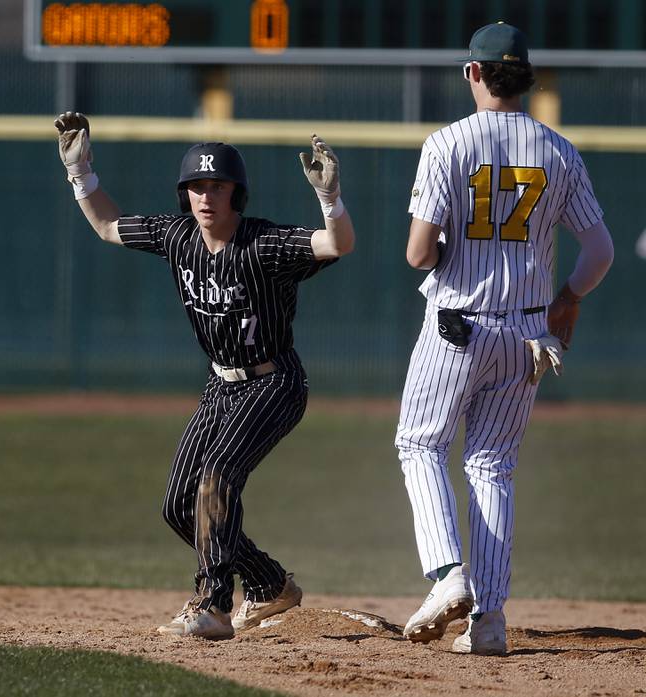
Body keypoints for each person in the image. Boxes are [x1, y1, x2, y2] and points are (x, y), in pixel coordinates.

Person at [54, 112, 355, 639]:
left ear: (237, 193)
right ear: (184, 195)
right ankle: (269, 584)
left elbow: (337, 245)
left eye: (217, 185)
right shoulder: (178, 237)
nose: (206, 196)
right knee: (178, 506)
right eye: (196, 186)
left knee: (216, 477)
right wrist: (81, 172)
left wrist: (330, 200)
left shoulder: (263, 244)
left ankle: (213, 604)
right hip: (221, 384)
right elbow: (106, 225)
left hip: (274, 382)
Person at [395, 22, 614, 655]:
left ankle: (445, 576)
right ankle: (489, 622)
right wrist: (568, 297)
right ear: (525, 79)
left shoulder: (448, 144)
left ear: (474, 73)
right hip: (528, 335)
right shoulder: (558, 150)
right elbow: (598, 250)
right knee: (492, 466)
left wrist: (441, 247)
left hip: (459, 326)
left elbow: (416, 254)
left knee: (420, 444)